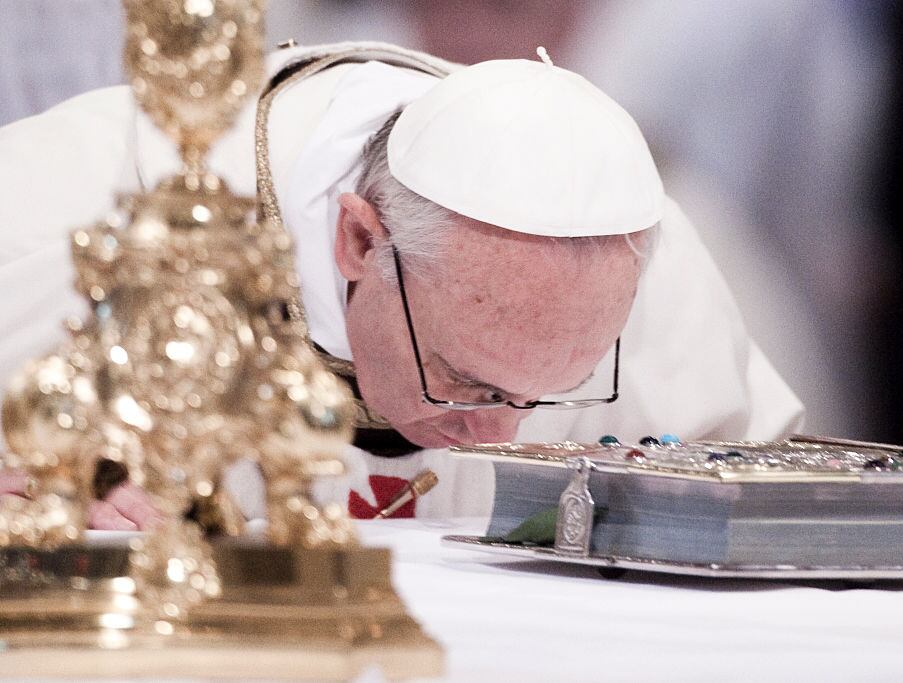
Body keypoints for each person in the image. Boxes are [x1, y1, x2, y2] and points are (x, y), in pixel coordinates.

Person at [0, 41, 803, 529]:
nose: (498, 436)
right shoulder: (49, 220)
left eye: (554, 390)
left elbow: (763, 535)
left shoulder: (630, 252)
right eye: (463, 380)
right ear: (358, 239)